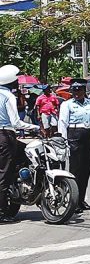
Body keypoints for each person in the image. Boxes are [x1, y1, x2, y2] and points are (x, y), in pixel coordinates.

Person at [58, 78, 90, 213]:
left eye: (80, 90)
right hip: (74, 134)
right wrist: (63, 141)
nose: (77, 93)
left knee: (86, 170)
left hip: (89, 135)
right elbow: (62, 124)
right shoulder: (67, 105)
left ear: (85, 91)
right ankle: (74, 201)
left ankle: (81, 200)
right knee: (75, 170)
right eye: (74, 90)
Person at [0, 65, 39, 222]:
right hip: (5, 136)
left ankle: (16, 185)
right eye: (17, 80)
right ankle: (2, 211)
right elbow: (16, 122)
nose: (18, 83)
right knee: (4, 172)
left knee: (21, 152)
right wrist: (35, 127)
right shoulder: (8, 96)